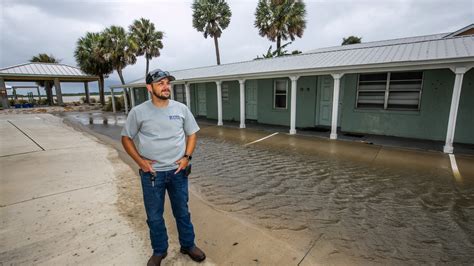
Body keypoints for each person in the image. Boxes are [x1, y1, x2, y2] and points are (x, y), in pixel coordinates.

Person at [121, 69, 206, 265]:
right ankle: (159, 251)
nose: (166, 86)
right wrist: (141, 162)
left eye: (168, 83)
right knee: (154, 216)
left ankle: (188, 245)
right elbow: (126, 138)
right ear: (149, 88)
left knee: (182, 212)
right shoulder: (138, 112)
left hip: (178, 172)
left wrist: (186, 157)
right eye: (160, 83)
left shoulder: (181, 109)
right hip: (152, 174)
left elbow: (192, 134)